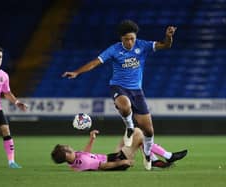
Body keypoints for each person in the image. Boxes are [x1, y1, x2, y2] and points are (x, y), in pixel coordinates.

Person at [62, 20, 177, 170]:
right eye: (126, 39)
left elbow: (166, 45)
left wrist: (168, 36)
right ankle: (129, 127)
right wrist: (77, 72)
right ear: (121, 39)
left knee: (149, 131)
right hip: (119, 87)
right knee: (125, 105)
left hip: (137, 91)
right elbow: (95, 62)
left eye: (132, 39)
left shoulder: (142, 45)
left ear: (135, 37)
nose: (129, 42)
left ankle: (148, 155)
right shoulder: (114, 50)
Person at [51, 128, 187, 171]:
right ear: (66, 153)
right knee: (138, 134)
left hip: (112, 156)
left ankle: (154, 161)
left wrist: (91, 139)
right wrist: (122, 163)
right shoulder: (84, 162)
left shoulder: (74, 162)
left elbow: (86, 153)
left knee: (131, 135)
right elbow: (103, 166)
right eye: (67, 147)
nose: (70, 146)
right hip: (116, 161)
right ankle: (168, 156)